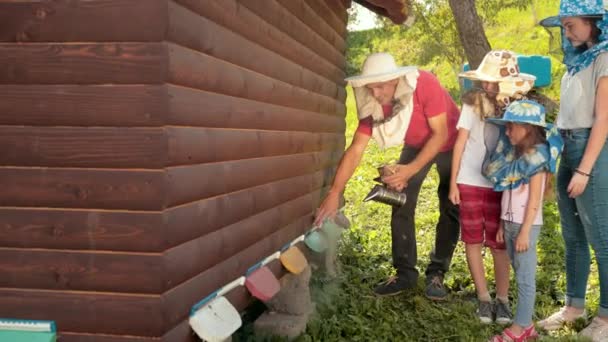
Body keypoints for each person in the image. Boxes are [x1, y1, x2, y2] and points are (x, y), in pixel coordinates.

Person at [314, 52, 460, 300]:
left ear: (395, 81)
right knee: (398, 197)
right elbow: (357, 149)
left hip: (451, 142)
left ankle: (437, 273)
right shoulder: (373, 102)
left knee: (450, 205)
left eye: (380, 87)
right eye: (371, 88)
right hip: (417, 145)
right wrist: (335, 192)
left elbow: (440, 134)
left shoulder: (424, 83)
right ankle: (405, 274)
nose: (376, 93)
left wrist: (409, 169)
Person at [537, 2, 608, 340]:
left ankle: (606, 318)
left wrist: (584, 170)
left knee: (602, 237)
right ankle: (574, 307)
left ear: (593, 22)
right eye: (563, 26)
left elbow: (604, 121)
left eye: (571, 25)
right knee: (572, 235)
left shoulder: (604, 59)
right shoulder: (573, 64)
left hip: (591, 152)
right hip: (566, 148)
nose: (566, 32)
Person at [450, 50, 536, 324]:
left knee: (500, 243)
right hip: (470, 180)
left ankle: (502, 298)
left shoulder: (517, 106)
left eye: (493, 82)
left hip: (503, 183)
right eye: (485, 81)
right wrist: (453, 181)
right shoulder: (472, 103)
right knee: (473, 239)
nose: (487, 87)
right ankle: (484, 298)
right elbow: (461, 142)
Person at [483, 100, 563, 342]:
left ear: (526, 128)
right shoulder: (517, 159)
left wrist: (526, 231)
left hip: (525, 227)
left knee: (525, 278)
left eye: (511, 127)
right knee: (519, 273)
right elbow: (507, 194)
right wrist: (501, 223)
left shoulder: (537, 163)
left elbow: (533, 202)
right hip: (510, 224)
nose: (507, 132)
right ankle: (526, 326)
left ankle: (521, 327)